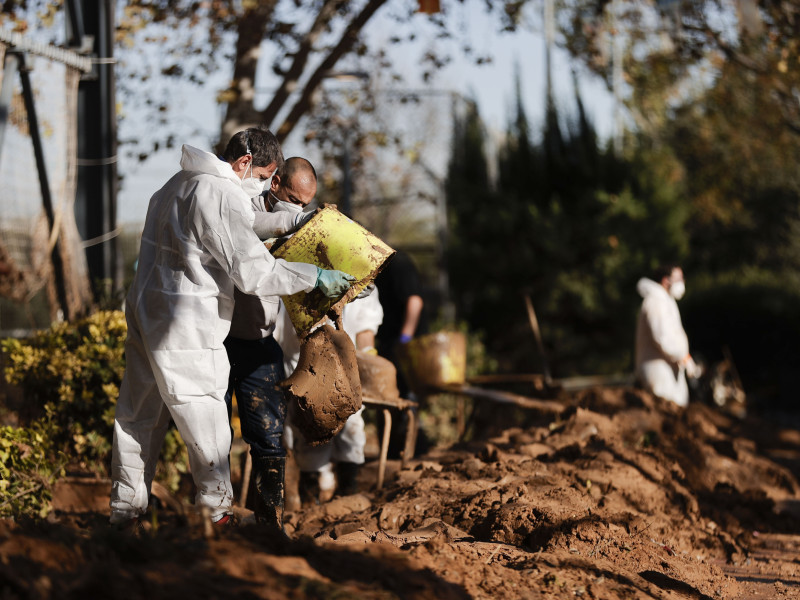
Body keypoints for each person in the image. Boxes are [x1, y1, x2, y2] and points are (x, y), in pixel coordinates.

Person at [109, 130, 355, 529]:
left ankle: (125, 516)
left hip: (145, 314)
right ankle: (217, 516)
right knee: (207, 421)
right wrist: (315, 278)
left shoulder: (176, 186)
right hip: (185, 325)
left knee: (138, 418)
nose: (263, 186)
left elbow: (244, 220)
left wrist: (294, 219)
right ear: (244, 163)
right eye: (265, 176)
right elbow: (254, 272)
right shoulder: (218, 193)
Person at [223, 156, 324, 531]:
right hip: (219, 340)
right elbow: (255, 227)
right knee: (213, 435)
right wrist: (294, 220)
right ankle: (213, 515)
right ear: (276, 182)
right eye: (295, 201)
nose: (301, 209)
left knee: (268, 435)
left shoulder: (302, 227)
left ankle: (270, 523)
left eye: (306, 204)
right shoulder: (239, 205)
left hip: (260, 343)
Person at [277, 289, 383, 505]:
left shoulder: (361, 271)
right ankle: (310, 491)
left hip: (345, 360)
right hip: (301, 361)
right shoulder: (291, 265)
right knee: (308, 426)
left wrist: (368, 356)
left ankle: (348, 489)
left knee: (351, 424)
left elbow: (365, 324)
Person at [635, 264, 701, 407]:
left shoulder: (665, 301)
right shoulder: (655, 301)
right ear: (666, 281)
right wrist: (683, 356)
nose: (682, 282)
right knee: (665, 416)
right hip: (658, 371)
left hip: (668, 369)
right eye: (679, 278)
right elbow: (662, 338)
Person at [374, 249, 428, 398]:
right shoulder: (374, 271)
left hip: (407, 343)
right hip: (388, 342)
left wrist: (405, 339)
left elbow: (415, 302)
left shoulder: (398, 263)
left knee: (406, 395)